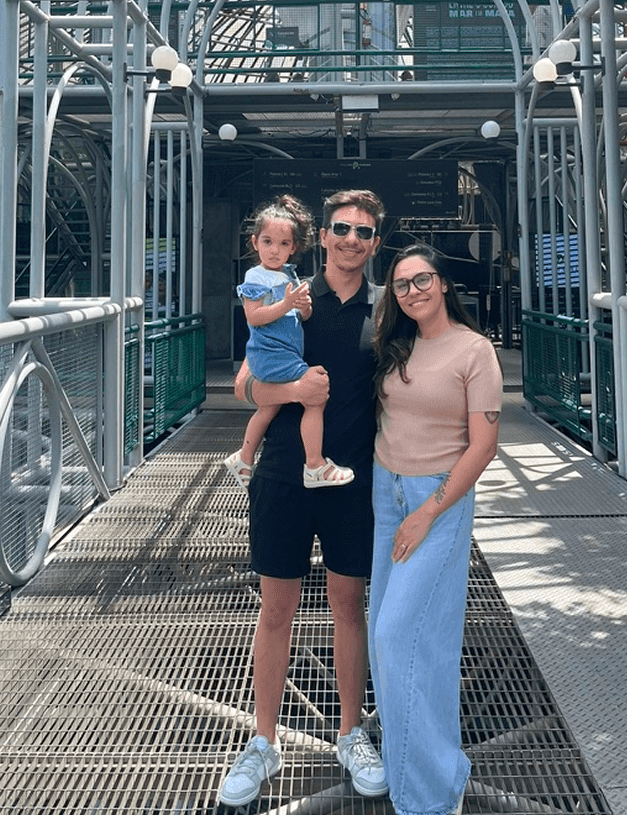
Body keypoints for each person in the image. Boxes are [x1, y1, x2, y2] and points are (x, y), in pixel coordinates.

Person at [218, 189, 389, 808]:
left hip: (353, 481)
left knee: (349, 605)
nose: (351, 239)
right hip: (285, 474)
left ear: (376, 243)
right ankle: (262, 741)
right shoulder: (291, 296)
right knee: (276, 609)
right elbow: (244, 386)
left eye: (363, 232)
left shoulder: (387, 308)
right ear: (322, 238)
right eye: (341, 228)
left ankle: (350, 731)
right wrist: (294, 391)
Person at [369, 243, 502, 816]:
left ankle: (425, 799)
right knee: (406, 639)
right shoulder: (396, 346)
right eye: (401, 284)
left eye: (422, 279)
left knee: (399, 636)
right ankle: (437, 769)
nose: (413, 291)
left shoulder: (475, 350)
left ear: (443, 283)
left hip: (436, 502)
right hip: (385, 492)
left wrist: (428, 512)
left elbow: (485, 445)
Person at [224, 194, 354, 489]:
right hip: (273, 355)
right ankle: (314, 464)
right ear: (255, 242)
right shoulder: (256, 277)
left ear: (294, 248)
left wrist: (303, 307)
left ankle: (243, 458)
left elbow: (299, 318)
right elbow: (254, 317)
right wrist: (286, 305)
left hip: (280, 353)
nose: (274, 250)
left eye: (283, 244)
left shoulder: (288, 276)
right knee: (315, 395)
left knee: (269, 408)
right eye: (267, 242)